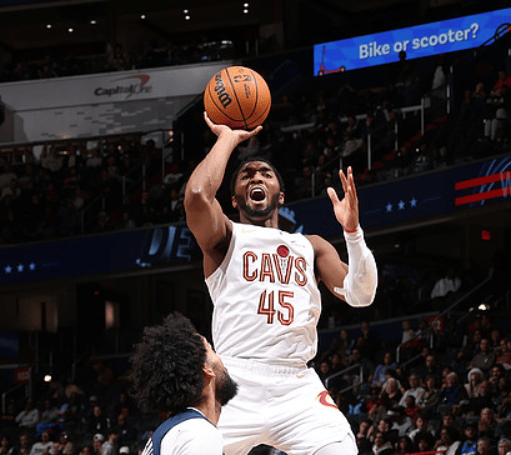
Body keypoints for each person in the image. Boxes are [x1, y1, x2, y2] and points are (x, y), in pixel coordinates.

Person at [183, 114, 379, 455]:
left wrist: (353, 232)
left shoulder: (311, 246)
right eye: (246, 175)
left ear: (281, 195)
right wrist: (228, 138)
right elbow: (198, 195)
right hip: (235, 381)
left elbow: (362, 295)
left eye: (265, 173)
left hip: (296, 385)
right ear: (234, 200)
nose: (256, 177)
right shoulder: (225, 236)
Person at [131, 311, 238, 455]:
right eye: (212, 350)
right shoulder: (198, 434)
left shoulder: (177, 431)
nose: (220, 359)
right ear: (206, 369)